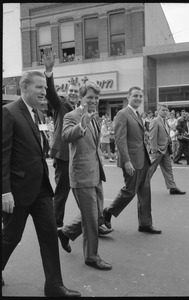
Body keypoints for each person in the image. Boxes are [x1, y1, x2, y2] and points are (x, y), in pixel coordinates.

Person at [2, 70, 81, 297]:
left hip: (41, 190)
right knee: (10, 237)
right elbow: (3, 155)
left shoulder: (36, 114)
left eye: (45, 88)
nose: (43, 92)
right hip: (17, 192)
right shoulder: (8, 113)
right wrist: (4, 191)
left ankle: (54, 286)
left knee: (48, 235)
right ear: (24, 88)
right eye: (39, 87)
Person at [43, 48, 111, 238]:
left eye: (75, 92)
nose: (73, 94)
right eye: (71, 91)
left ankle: (94, 223)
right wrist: (49, 72)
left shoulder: (86, 110)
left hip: (82, 159)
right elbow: (51, 95)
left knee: (90, 197)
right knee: (62, 192)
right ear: (67, 93)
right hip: (65, 155)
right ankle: (56, 225)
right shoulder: (61, 105)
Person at [60, 81, 112, 271]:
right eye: (90, 97)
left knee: (96, 213)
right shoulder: (71, 116)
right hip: (81, 175)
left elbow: (94, 145)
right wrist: (81, 125)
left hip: (96, 172)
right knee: (90, 218)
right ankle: (91, 256)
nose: (94, 101)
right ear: (81, 98)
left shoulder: (95, 118)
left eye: (96, 98)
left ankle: (65, 232)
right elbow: (66, 136)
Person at [103, 86, 161, 234]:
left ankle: (145, 224)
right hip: (131, 161)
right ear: (128, 97)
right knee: (129, 191)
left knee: (145, 192)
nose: (138, 99)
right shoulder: (122, 114)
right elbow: (120, 140)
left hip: (143, 160)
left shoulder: (137, 114)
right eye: (135, 96)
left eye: (140, 97)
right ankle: (108, 211)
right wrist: (127, 161)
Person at [148, 104, 186, 195]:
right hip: (158, 150)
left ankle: (172, 188)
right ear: (158, 111)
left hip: (166, 150)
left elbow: (166, 134)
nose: (165, 112)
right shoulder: (155, 121)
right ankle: (141, 186)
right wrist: (154, 149)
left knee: (168, 169)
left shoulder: (165, 121)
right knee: (150, 169)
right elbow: (152, 137)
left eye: (166, 110)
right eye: (163, 110)